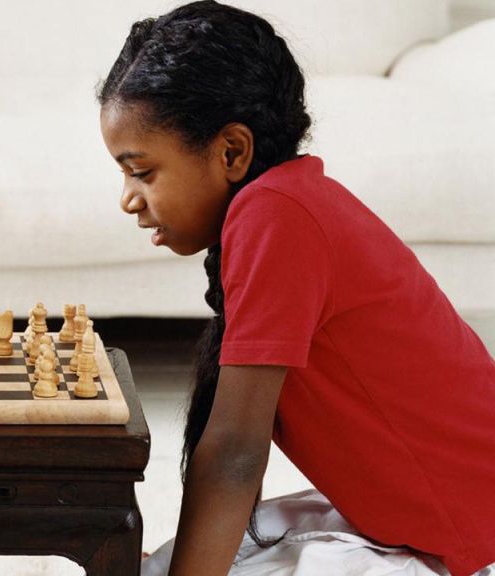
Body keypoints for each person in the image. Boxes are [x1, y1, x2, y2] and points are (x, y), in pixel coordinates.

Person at [96, 2, 495, 575]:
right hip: (437, 512)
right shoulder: (282, 202)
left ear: (232, 151)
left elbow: (235, 453)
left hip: (469, 539)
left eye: (142, 171)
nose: (128, 199)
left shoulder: (276, 216)